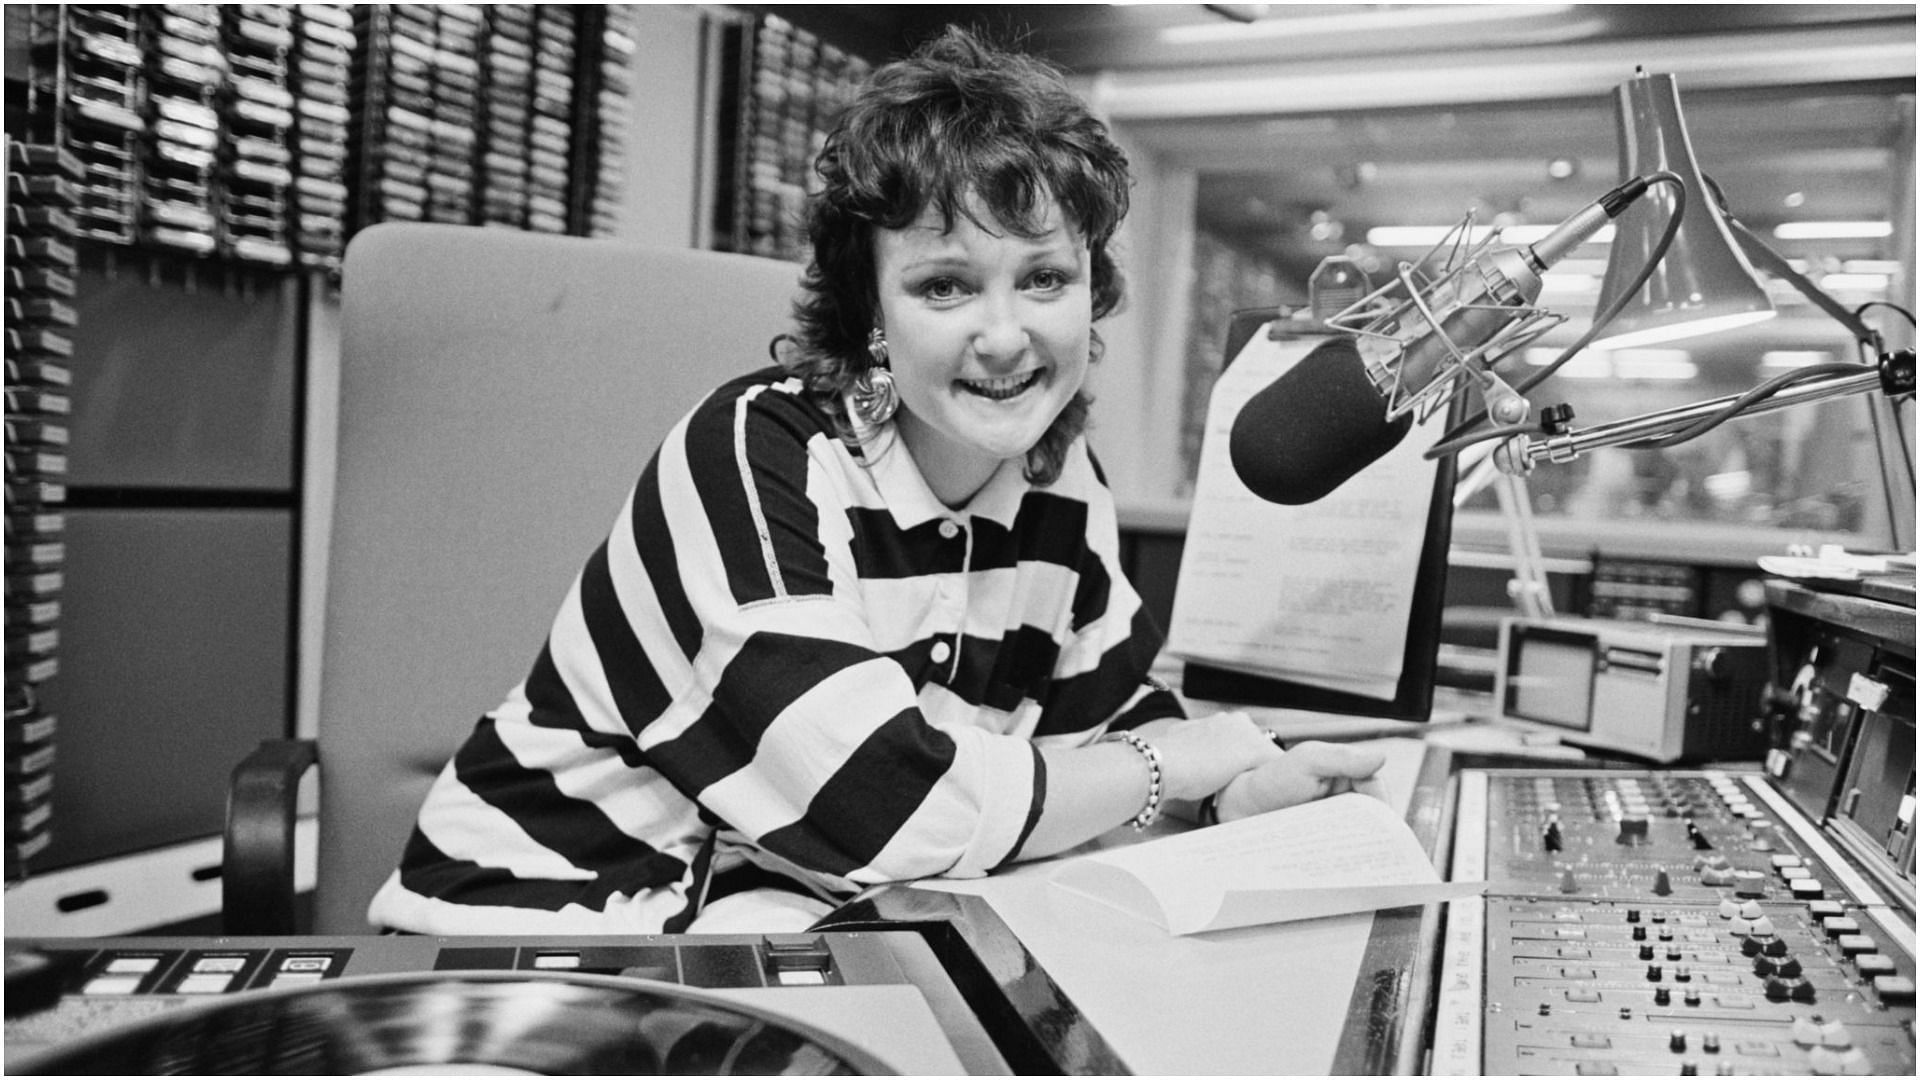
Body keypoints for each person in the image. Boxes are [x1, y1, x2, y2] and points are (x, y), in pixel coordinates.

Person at [368, 26, 1384, 937]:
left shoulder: (1061, 482)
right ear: (871, 312)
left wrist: (1224, 802)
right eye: (945, 285)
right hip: (540, 940)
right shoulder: (752, 457)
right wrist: (1177, 767)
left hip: (796, 924)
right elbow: (883, 805)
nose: (1005, 334)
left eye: (1045, 277)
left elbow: (1107, 732)